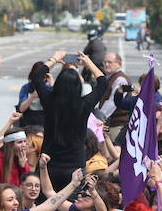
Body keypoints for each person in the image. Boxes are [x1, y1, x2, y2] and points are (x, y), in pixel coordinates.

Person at [30, 51, 108, 192]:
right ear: (78, 86)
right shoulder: (84, 104)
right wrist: (87, 62)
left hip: (48, 163)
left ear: (58, 83)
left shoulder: (49, 101)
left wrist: (54, 59)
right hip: (74, 166)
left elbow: (36, 77)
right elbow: (103, 82)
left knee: (46, 206)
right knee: (72, 209)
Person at [96, 52, 131, 140]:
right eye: (104, 62)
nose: (106, 64)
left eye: (110, 62)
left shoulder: (121, 79)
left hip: (116, 126)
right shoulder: (111, 77)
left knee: (115, 152)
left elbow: (112, 102)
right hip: (111, 124)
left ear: (119, 64)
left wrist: (99, 118)